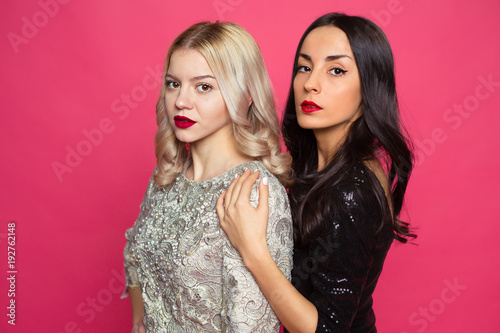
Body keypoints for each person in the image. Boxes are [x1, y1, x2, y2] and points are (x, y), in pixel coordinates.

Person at [216, 13, 415, 333]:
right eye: (305, 67)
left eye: (336, 70)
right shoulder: (320, 167)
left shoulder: (350, 190)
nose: (311, 83)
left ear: (369, 88)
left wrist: (253, 250)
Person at [122, 21, 294, 333]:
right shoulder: (167, 175)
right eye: (173, 84)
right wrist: (139, 323)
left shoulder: (254, 191)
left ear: (246, 94)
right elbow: (135, 252)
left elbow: (252, 324)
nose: (181, 101)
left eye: (204, 86)